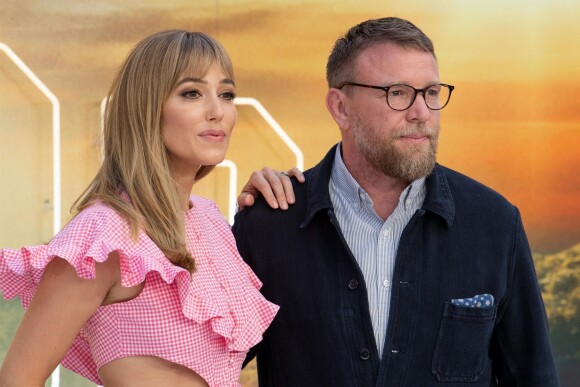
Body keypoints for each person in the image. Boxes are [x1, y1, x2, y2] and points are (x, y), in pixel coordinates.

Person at [233, 17, 560, 386]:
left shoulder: (495, 223)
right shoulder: (267, 225)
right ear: (340, 107)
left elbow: (535, 377)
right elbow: (201, 365)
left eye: (432, 92)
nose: (421, 112)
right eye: (398, 93)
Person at [0, 30, 279, 387]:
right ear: (145, 107)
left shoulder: (210, 221)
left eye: (226, 94)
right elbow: (17, 380)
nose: (218, 112)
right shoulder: (105, 233)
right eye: (191, 93)